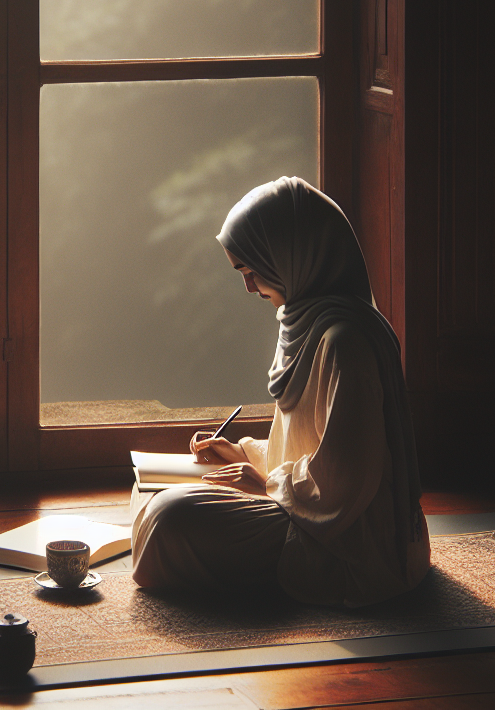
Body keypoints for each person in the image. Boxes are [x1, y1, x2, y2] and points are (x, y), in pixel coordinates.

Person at [130, 176, 430, 607]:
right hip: (310, 511)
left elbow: (346, 484)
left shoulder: (345, 341)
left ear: (294, 255)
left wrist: (267, 483)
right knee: (153, 508)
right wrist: (245, 453)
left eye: (253, 271)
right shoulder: (308, 321)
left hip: (351, 545)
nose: (250, 288)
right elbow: (317, 446)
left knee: (166, 520)